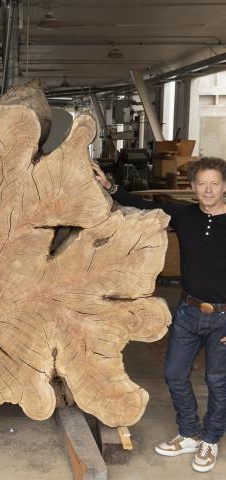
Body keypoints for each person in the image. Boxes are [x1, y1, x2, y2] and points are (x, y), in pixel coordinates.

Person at [92, 157, 226, 473]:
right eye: (202, 183)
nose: (208, 189)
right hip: (188, 313)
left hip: (223, 317)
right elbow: (138, 204)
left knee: (218, 382)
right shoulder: (185, 215)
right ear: (193, 187)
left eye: (214, 183)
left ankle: (210, 439)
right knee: (175, 375)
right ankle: (190, 432)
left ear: (224, 186)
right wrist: (109, 186)